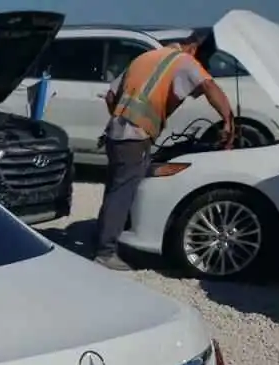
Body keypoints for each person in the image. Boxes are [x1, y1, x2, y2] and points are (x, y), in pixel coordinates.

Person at [92, 30, 235, 271]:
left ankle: (101, 240)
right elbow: (209, 87)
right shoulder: (185, 60)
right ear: (196, 48)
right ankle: (105, 252)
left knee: (115, 188)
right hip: (135, 136)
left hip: (115, 133)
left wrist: (123, 117)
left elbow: (110, 95)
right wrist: (228, 119)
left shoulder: (147, 57)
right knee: (123, 192)